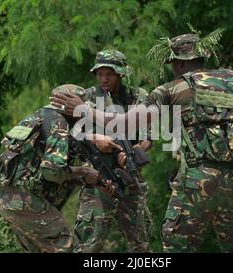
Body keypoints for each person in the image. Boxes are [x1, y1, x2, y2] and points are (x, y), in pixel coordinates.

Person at [51, 30, 233, 252]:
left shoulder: (171, 89)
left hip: (196, 180)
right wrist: (222, 146)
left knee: (176, 245)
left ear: (179, 63)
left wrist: (84, 110)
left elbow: (125, 125)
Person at [0, 84, 116, 253]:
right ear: (71, 107)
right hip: (25, 201)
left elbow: (44, 168)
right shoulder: (59, 123)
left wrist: (82, 178)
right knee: (65, 247)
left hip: (9, 199)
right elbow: (52, 171)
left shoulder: (41, 117)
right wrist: (84, 172)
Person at [73, 49, 153, 252]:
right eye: (100, 74)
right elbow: (71, 134)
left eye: (109, 74)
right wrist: (95, 139)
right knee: (88, 245)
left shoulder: (137, 97)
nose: (104, 79)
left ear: (121, 74)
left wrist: (133, 155)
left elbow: (147, 138)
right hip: (99, 178)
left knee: (140, 245)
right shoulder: (88, 97)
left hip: (130, 177)